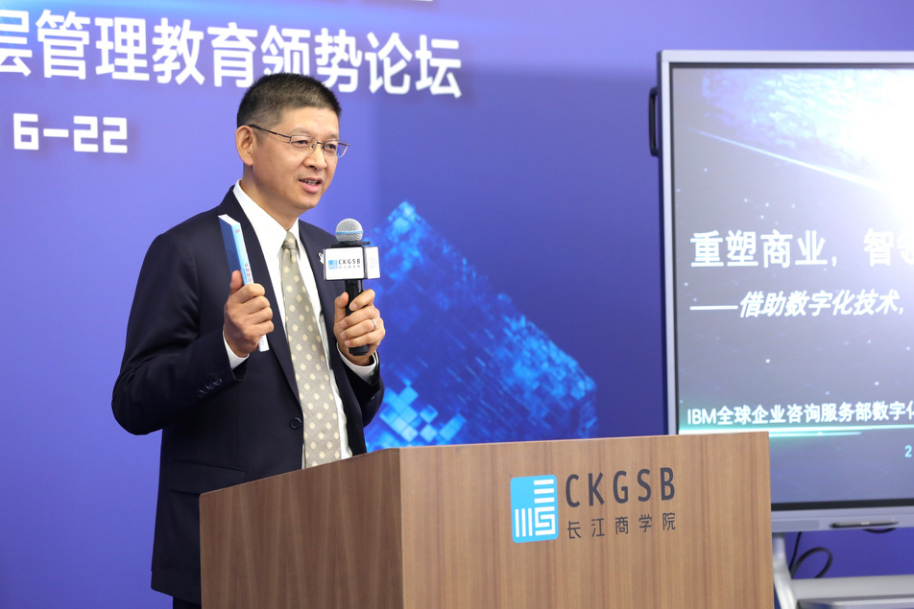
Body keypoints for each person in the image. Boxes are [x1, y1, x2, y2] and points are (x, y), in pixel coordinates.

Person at [112, 73, 386, 609]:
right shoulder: (187, 250)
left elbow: (349, 411)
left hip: (343, 531)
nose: (319, 161)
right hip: (236, 541)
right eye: (301, 142)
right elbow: (133, 401)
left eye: (331, 146)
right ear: (247, 144)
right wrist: (227, 347)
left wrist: (360, 360)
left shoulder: (330, 252)